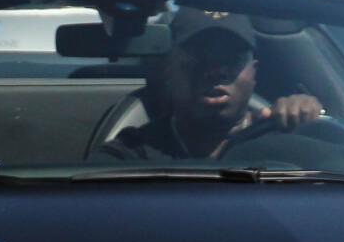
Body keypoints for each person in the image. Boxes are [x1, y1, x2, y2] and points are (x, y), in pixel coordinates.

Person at [95, 24, 324, 162]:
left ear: (254, 73)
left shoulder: (288, 144)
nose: (216, 71)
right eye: (200, 58)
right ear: (168, 68)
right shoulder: (132, 154)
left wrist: (313, 125)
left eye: (232, 59)